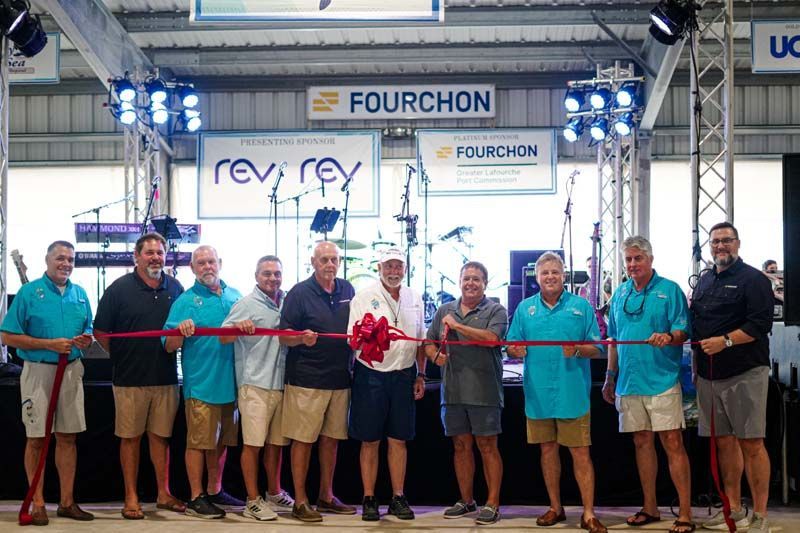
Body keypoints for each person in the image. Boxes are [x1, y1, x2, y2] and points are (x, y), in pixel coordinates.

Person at [506, 251, 606, 533]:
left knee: (580, 454)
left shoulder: (581, 307)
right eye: (544, 272)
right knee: (547, 451)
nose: (550, 276)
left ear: (564, 275)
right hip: (537, 394)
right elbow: (511, 345)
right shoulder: (525, 309)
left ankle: (588, 514)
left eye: (555, 272)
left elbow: (598, 347)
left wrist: (576, 348)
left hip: (572, 394)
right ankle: (555, 508)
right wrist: (515, 349)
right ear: (537, 278)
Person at [602, 236, 693, 533]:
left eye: (637, 259)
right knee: (641, 442)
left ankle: (685, 513)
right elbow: (613, 341)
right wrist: (609, 377)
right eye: (628, 259)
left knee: (672, 443)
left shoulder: (670, 290)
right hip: (629, 383)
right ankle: (650, 507)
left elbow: (682, 331)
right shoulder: (619, 294)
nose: (632, 265)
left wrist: (669, 337)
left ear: (650, 259)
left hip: (663, 380)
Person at [1, 241, 94, 526]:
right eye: (60, 258)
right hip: (39, 372)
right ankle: (38, 502)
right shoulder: (29, 294)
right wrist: (48, 345)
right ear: (47, 260)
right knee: (37, 439)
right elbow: (8, 336)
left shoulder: (80, 294)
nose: (66, 263)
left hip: (71, 373)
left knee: (67, 437)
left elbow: (88, 329)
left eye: (70, 259)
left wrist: (86, 339)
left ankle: (66, 502)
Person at [93, 232, 186, 520]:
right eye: (150, 253)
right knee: (130, 439)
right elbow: (100, 332)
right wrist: (123, 354)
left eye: (160, 253)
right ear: (136, 256)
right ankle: (130, 496)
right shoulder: (118, 289)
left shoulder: (176, 287)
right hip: (129, 379)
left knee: (160, 438)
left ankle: (163, 493)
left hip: (166, 377)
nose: (156, 257)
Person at [691, 222, 773, 533]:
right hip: (710, 376)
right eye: (715, 242)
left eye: (726, 241)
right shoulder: (705, 280)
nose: (720, 246)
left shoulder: (754, 279)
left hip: (745, 372)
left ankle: (761, 516)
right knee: (724, 444)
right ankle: (734, 510)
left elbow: (760, 324)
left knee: (751, 443)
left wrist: (725, 341)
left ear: (737, 243)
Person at [163, 245, 245, 519]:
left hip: (231, 385)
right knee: (198, 443)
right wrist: (180, 330)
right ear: (193, 268)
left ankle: (214, 489)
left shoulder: (236, 296)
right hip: (201, 385)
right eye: (201, 263)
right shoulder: (185, 301)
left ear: (219, 263)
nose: (207, 267)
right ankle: (196, 497)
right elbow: (168, 345)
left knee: (220, 443)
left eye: (211, 261)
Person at [425, 261, 507, 526]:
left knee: (487, 447)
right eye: (466, 278)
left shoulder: (496, 310)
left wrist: (459, 327)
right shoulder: (444, 310)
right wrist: (434, 357)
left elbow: (492, 339)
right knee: (460, 447)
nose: (471, 283)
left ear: (485, 284)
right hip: (453, 392)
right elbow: (429, 341)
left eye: (477, 279)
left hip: (485, 392)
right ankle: (467, 499)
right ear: (459, 281)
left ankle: (492, 503)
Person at [347, 248, 426, 521]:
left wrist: (420, 374)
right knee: (370, 440)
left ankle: (398, 497)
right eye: (389, 266)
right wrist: (371, 337)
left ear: (405, 270)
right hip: (371, 375)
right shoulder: (363, 296)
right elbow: (352, 340)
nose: (394, 271)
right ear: (379, 267)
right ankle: (369, 498)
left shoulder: (415, 297)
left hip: (404, 375)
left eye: (399, 266)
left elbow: (420, 340)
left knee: (398, 439)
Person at [278, 241, 355, 523]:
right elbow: (283, 335)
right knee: (303, 441)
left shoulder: (347, 289)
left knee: (331, 440)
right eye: (324, 260)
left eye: (334, 259)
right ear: (313, 262)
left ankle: (326, 495)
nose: (330, 265)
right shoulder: (299, 293)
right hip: (306, 380)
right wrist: (300, 337)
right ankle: (300, 501)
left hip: (339, 379)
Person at [219, 255, 294, 521]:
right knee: (252, 445)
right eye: (267, 274)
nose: (272, 278)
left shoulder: (286, 303)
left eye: (276, 274)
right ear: (256, 276)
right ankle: (252, 500)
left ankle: (274, 492)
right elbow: (224, 337)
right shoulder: (245, 304)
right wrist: (238, 327)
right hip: (254, 385)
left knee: (276, 444)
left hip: (280, 383)